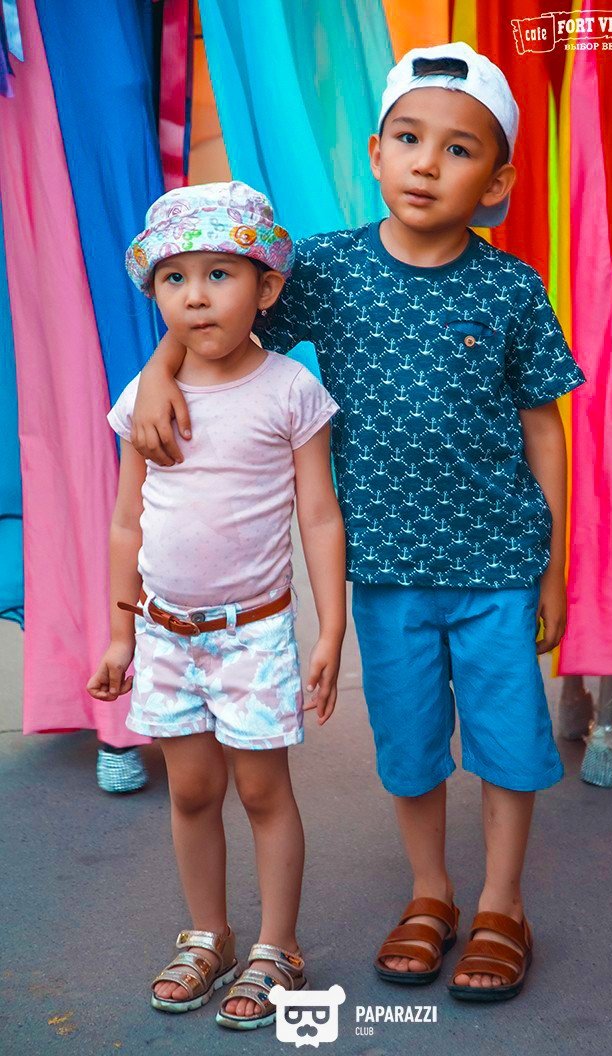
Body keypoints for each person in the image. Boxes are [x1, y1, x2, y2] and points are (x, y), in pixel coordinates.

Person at [129, 43, 587, 1002]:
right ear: (376, 153)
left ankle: (502, 905)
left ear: (496, 183)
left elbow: (544, 425)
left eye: (458, 150)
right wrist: (163, 368)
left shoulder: (511, 289)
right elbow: (220, 314)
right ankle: (431, 892)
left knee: (508, 741)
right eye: (409, 140)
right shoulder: (330, 269)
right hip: (384, 569)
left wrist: (552, 563)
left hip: (498, 563)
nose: (427, 164)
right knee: (411, 745)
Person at [86, 181, 346, 1028]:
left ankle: (278, 946)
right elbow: (127, 521)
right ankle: (208, 934)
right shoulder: (145, 400)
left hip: (253, 635)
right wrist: (119, 632)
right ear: (155, 292)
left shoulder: (289, 391)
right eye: (175, 278)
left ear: (266, 288)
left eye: (219, 275)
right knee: (192, 791)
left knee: (264, 793)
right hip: (165, 635)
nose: (195, 296)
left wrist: (330, 627)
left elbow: (319, 515)